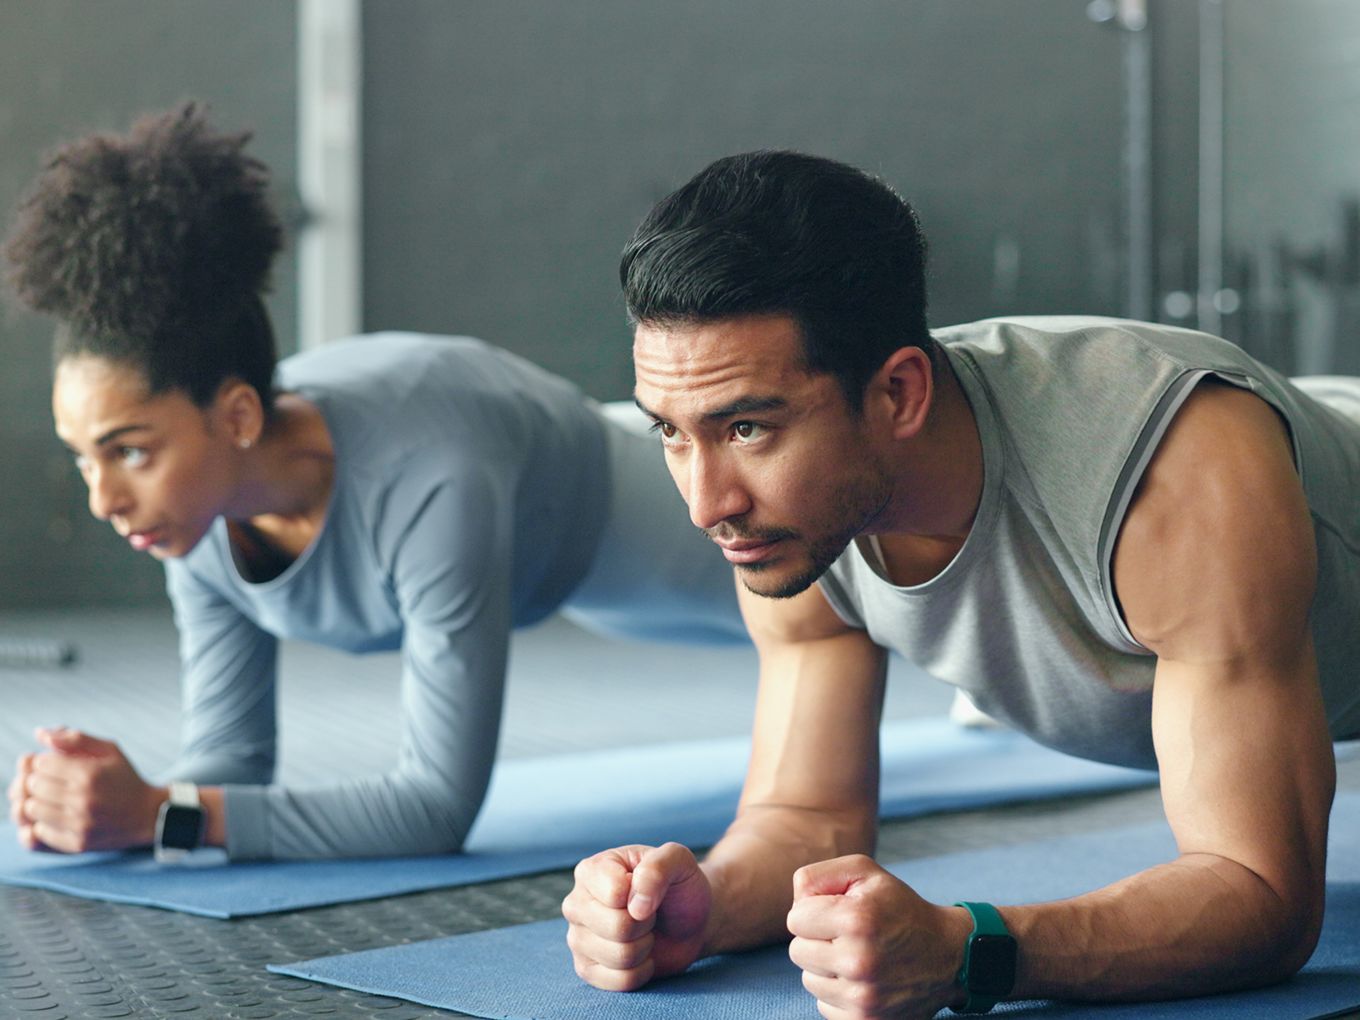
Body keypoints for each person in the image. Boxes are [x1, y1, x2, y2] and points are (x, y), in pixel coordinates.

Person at [561, 150, 1360, 1015]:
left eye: (747, 428)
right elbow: (807, 812)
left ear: (899, 393)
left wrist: (969, 949)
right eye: (671, 434)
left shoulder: (1180, 468)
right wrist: (700, 905)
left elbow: (1265, 899)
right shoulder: (789, 523)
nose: (705, 504)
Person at [2, 103, 746, 863]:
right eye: (83, 456)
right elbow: (231, 763)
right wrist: (108, 805)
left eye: (128, 452)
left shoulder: (429, 479)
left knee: (854, 620)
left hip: (651, 519)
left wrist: (165, 815)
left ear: (235, 417)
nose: (104, 500)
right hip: (564, 582)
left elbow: (434, 808)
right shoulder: (190, 514)